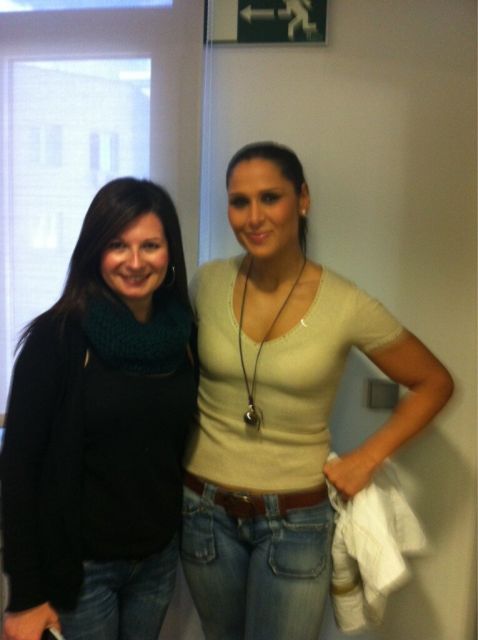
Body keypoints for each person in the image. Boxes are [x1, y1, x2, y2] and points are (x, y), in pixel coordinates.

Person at [180, 141, 454, 640]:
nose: (254, 216)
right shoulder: (208, 283)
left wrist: (366, 459)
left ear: (302, 199)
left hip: (296, 522)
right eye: (239, 202)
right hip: (204, 512)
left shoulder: (346, 304)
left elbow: (434, 382)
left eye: (270, 197)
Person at [1, 177, 197, 640]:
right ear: (95, 252)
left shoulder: (184, 336)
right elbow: (18, 469)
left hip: (156, 559)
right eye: (117, 245)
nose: (135, 262)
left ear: (169, 253)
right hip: (81, 569)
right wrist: (24, 596)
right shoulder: (57, 338)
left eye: (150, 245)